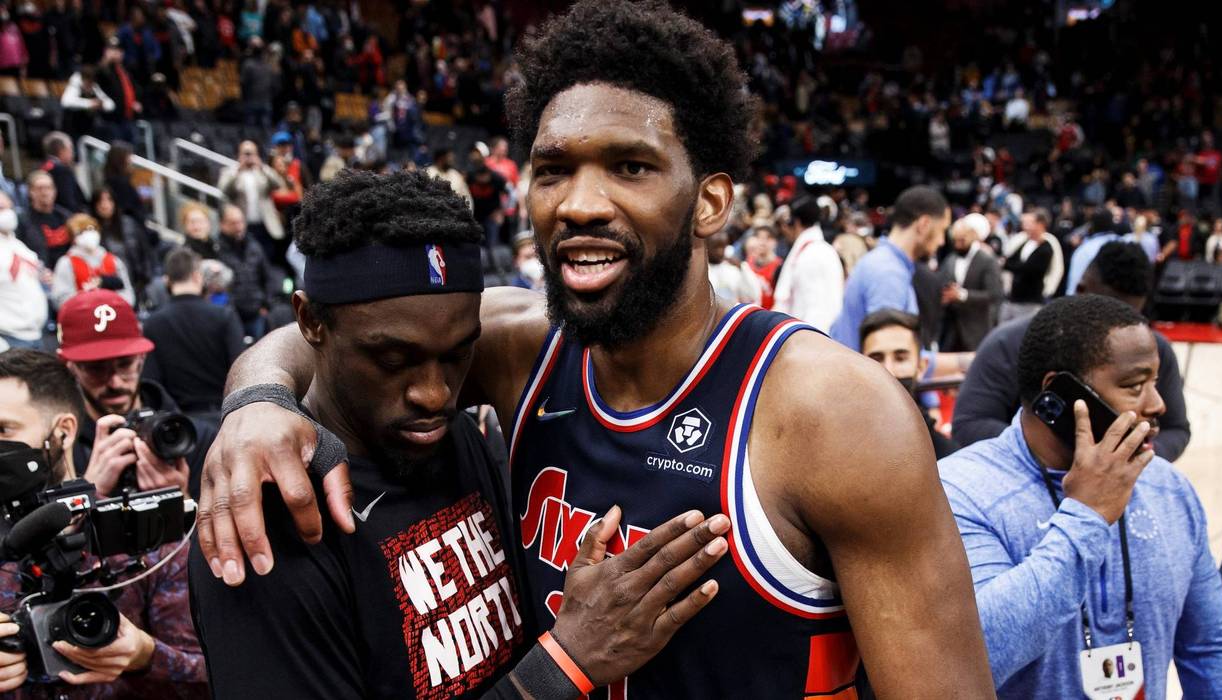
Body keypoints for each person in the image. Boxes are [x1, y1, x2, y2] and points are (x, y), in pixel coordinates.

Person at [197, 2, 994, 697]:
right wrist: (258, 401)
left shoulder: (834, 413)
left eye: (629, 167)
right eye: (553, 170)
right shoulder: (513, 349)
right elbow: (339, 340)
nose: (579, 203)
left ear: (710, 201)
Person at [189, 169, 734, 698]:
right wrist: (564, 663)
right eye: (392, 359)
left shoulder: (446, 435)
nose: (434, 394)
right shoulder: (270, 517)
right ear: (311, 323)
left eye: (457, 355)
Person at [939, 295, 1222, 698]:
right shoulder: (960, 492)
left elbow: (1211, 647)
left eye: (1155, 382)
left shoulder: (1168, 489)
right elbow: (977, 656)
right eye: (1135, 386)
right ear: (1058, 395)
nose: (1157, 404)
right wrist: (1087, 514)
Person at [0, 348, 208, 696]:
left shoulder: (143, 537)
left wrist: (144, 656)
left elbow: (212, 678)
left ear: (63, 431)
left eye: (4, 429)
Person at [954, 241, 1191, 461]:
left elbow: (1176, 429)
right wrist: (1060, 451)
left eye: (1130, 317)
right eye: (1134, 385)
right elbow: (969, 423)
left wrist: (1136, 454)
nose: (1122, 332)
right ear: (1081, 289)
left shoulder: (1153, 349)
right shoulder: (1010, 341)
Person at [57, 289, 217, 499]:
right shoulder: (58, 449)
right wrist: (88, 493)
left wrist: (182, 501)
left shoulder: (192, 438)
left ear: (141, 359)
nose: (114, 381)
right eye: (96, 369)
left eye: (125, 364)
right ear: (70, 367)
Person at [829, 186, 951, 352]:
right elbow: (889, 358)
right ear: (924, 224)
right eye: (942, 230)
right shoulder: (888, 273)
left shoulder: (883, 263)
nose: (942, 241)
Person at [141, 247, 244, 422]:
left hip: (179, 428)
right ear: (197, 276)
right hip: (225, 419)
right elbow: (240, 369)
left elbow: (151, 383)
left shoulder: (153, 323)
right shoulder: (224, 316)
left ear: (167, 280)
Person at [860, 309, 959, 459]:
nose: (889, 370)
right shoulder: (838, 443)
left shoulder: (947, 456)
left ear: (921, 367)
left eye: (900, 358)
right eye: (877, 358)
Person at [771, 195, 843, 332]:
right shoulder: (823, 250)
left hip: (814, 340)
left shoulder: (812, 255)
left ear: (796, 222)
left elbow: (817, 312)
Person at [215, 203, 281, 340]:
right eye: (233, 223)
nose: (238, 227)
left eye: (240, 222)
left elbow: (267, 277)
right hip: (231, 317)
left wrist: (266, 304)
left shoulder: (254, 246)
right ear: (222, 224)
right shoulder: (216, 250)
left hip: (256, 313)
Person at [940, 213, 1003, 352]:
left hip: (976, 330)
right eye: (955, 240)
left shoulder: (987, 260)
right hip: (950, 331)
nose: (957, 244)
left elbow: (995, 294)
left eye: (961, 240)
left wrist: (962, 295)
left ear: (974, 236)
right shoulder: (950, 258)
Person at [217, 140, 286, 264]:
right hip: (243, 226)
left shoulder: (262, 171)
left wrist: (262, 167)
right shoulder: (230, 172)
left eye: (251, 153)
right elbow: (223, 190)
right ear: (239, 154)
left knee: (269, 258)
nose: (248, 157)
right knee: (248, 260)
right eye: (245, 153)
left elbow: (278, 184)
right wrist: (238, 170)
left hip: (265, 225)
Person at [51, 213, 136, 307]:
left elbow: (128, 296)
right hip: (83, 316)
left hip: (114, 313)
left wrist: (110, 302)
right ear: (73, 238)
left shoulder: (114, 260)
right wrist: (89, 298)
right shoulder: (66, 263)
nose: (88, 233)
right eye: (81, 231)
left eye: (91, 229)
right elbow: (61, 300)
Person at [0, 194, 47, 350]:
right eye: (1, 209)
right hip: (9, 338)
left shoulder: (19, 245)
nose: (8, 213)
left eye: (10, 208)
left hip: (37, 333)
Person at [92, 187, 154, 304]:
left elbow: (145, 253)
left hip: (136, 282)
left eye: (108, 200)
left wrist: (145, 278)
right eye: (100, 201)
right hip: (110, 287)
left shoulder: (129, 224)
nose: (105, 205)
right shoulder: (91, 230)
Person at [1000, 209, 1054, 323]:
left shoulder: (1047, 247)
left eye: (1031, 223)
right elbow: (1009, 260)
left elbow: (1029, 269)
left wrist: (1010, 265)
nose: (1026, 226)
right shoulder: (1024, 242)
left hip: (1030, 300)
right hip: (1013, 297)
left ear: (1040, 224)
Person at [96, 35, 142, 144]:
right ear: (105, 52)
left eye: (118, 50)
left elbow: (136, 90)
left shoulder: (124, 71)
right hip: (110, 120)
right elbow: (99, 82)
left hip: (127, 118)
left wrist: (136, 102)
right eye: (111, 50)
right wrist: (106, 61)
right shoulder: (102, 69)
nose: (115, 53)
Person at [1064, 209, 1120, 296]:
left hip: (1092, 302)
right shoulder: (1124, 243)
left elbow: (1074, 287)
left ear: (1091, 225)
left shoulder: (1085, 249)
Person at [23, 170, 73, 267]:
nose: (45, 192)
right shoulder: (23, 221)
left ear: (54, 191)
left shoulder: (66, 217)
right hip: (41, 274)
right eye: (39, 188)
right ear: (30, 192)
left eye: (48, 188)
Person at [59, 64, 116, 139]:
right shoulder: (75, 85)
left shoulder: (94, 87)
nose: (90, 86)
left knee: (109, 130)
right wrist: (90, 104)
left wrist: (101, 104)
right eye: (88, 83)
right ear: (83, 79)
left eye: (91, 83)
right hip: (72, 130)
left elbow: (111, 105)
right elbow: (65, 102)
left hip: (88, 130)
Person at [706, 231, 760, 305]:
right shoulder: (700, 270)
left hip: (731, 312)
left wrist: (742, 268)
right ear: (706, 247)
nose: (720, 252)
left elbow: (753, 295)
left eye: (723, 247)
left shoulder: (733, 268)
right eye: (715, 247)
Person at [40, 132, 88, 214]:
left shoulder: (41, 168)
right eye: (70, 149)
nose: (73, 154)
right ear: (62, 150)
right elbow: (68, 201)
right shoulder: (62, 171)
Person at [745, 223, 782, 309]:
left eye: (768, 238)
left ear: (775, 242)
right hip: (750, 313)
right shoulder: (748, 261)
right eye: (759, 237)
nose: (762, 242)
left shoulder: (779, 267)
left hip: (770, 316)